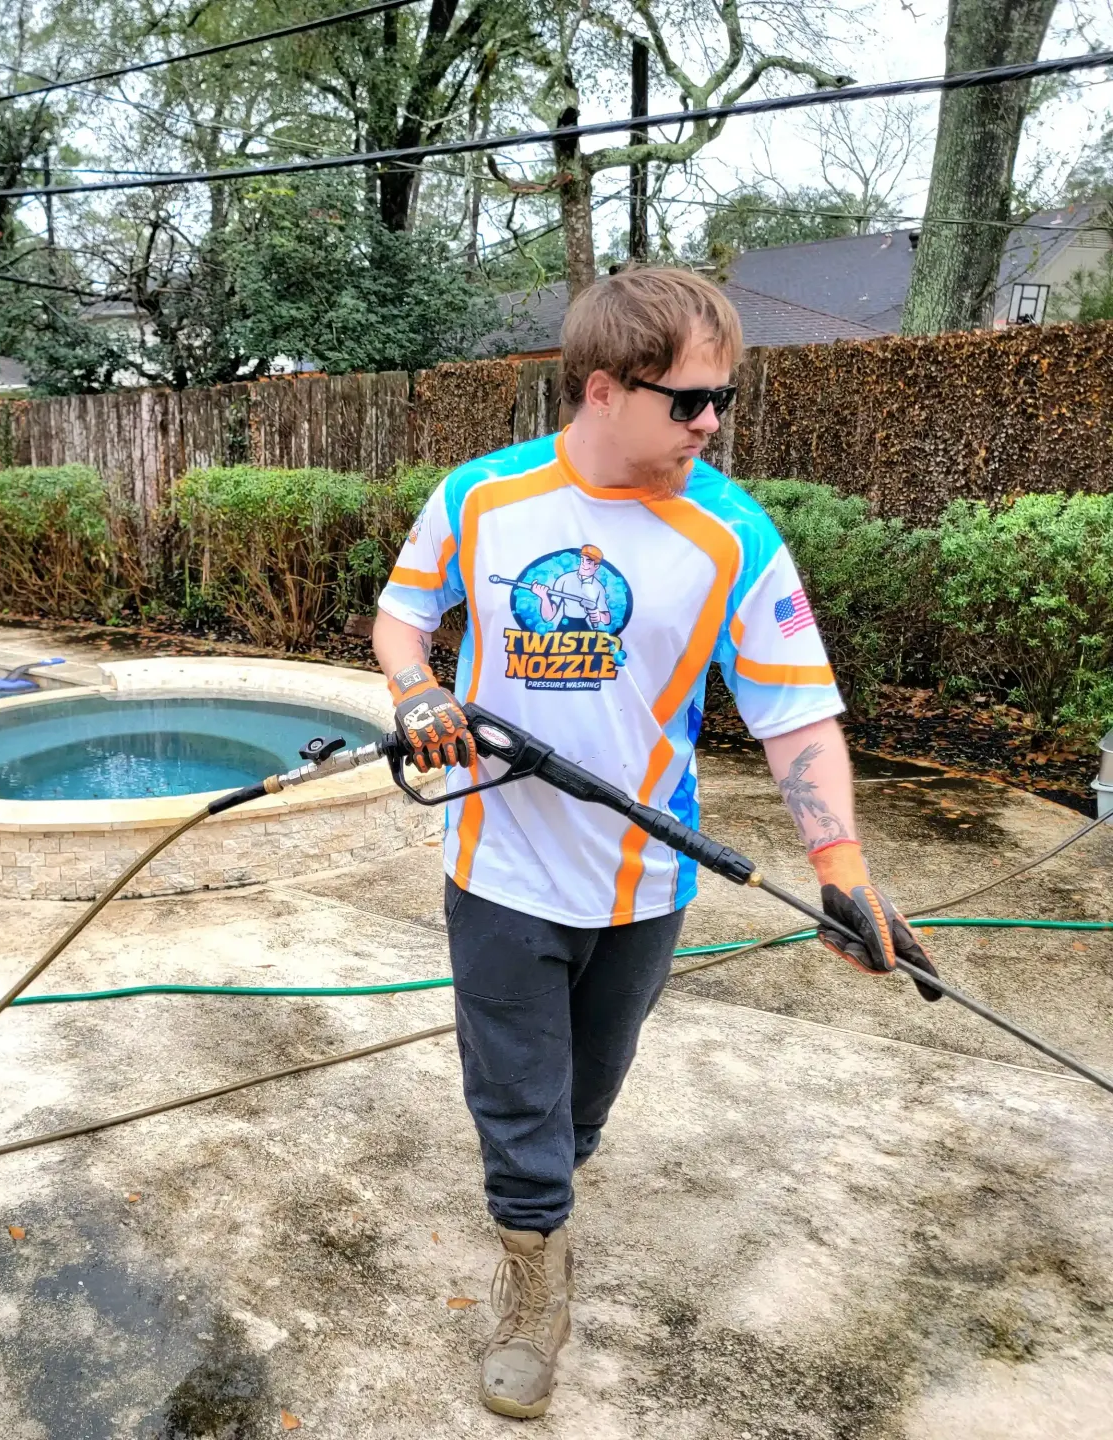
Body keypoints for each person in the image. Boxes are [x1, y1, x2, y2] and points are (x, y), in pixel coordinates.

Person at [371, 266, 937, 1420]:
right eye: (688, 401)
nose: (711, 422)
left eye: (722, 397)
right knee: (515, 1086)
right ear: (601, 389)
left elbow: (796, 716)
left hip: (646, 873)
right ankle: (536, 1273)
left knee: (588, 1087)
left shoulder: (732, 535)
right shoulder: (482, 499)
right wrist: (417, 690)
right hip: (499, 861)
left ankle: (553, 1172)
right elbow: (403, 615)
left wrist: (842, 870)